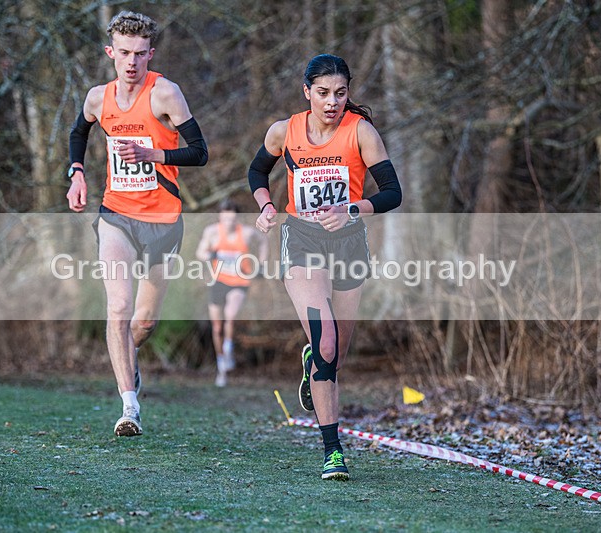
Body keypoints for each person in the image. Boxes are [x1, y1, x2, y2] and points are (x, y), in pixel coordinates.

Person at [247, 54, 402, 480]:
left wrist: (353, 208)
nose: (332, 102)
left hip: (349, 244)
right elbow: (257, 172)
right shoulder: (285, 131)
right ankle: (333, 450)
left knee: (336, 355)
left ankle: (311, 361)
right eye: (323, 94)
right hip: (302, 241)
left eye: (340, 93)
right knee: (328, 344)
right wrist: (265, 207)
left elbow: (392, 192)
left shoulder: (361, 132)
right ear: (306, 93)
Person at [65, 11, 208, 437]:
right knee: (119, 308)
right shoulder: (98, 98)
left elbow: (199, 152)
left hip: (163, 220)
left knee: (142, 323)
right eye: (124, 53)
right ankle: (129, 407)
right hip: (116, 215)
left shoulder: (166, 94)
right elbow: (79, 132)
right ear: (111, 52)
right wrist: (76, 172)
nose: (132, 62)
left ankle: (129, 359)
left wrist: (155, 156)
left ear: (151, 54)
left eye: (140, 54)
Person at [195, 199, 268, 387]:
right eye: (225, 218)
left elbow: (263, 241)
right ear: (220, 217)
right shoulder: (211, 232)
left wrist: (260, 264)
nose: (229, 222)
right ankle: (222, 367)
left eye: (232, 219)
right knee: (217, 327)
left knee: (230, 315)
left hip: (240, 281)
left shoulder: (246, 232)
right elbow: (200, 252)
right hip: (218, 281)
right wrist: (211, 255)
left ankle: (228, 349)